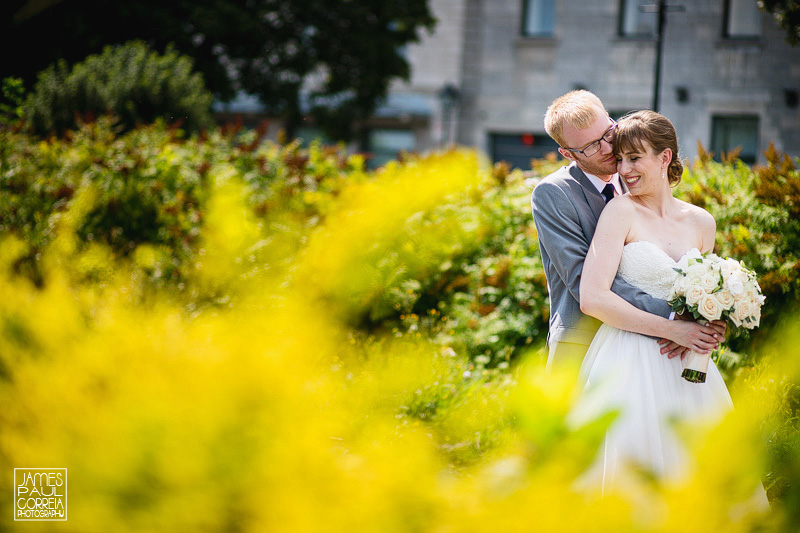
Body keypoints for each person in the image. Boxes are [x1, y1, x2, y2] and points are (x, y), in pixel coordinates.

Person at [572, 110, 766, 499]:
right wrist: (673, 329)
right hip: (627, 360)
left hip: (688, 368)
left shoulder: (702, 222)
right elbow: (592, 298)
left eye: (635, 157)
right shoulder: (621, 211)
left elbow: (704, 296)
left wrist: (712, 324)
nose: (624, 169)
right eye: (621, 158)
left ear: (664, 157)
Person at [530, 90, 720, 369]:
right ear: (567, 154)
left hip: (662, 349)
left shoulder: (635, 180)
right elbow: (584, 279)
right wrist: (673, 317)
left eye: (608, 133)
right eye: (592, 147)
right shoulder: (554, 193)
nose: (608, 148)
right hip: (584, 345)